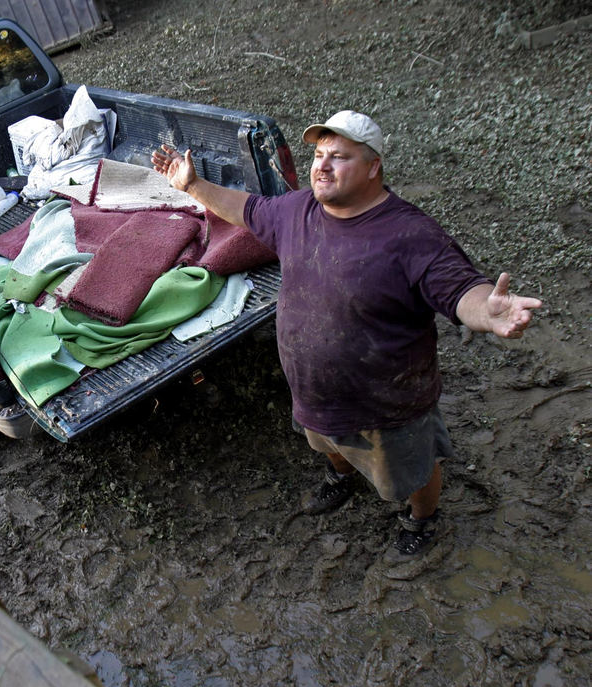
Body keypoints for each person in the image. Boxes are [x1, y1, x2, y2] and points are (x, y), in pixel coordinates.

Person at [152, 110, 542, 558]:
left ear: (374, 166)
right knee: (323, 439)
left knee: (412, 470)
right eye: (318, 154)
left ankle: (423, 516)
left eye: (339, 157)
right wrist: (193, 187)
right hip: (314, 391)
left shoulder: (410, 234)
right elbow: (247, 209)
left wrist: (487, 312)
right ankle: (340, 474)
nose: (322, 165)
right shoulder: (298, 210)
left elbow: (458, 289)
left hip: (388, 405)